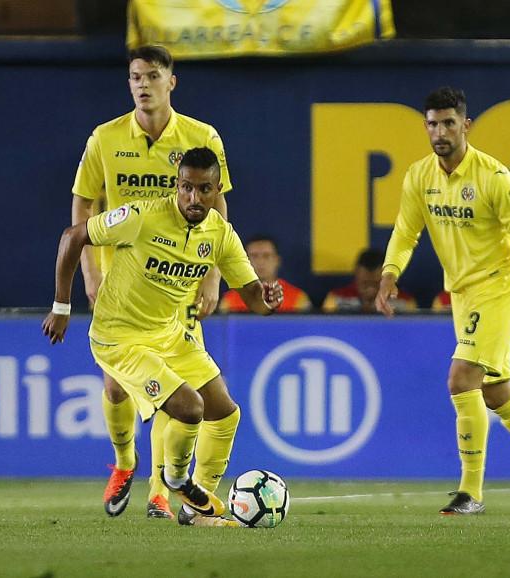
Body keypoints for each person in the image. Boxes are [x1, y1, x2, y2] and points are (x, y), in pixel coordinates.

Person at [376, 87, 510, 515]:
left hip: (500, 284)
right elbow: (405, 231)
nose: (440, 131)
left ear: (465, 125)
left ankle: (470, 492)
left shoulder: (493, 177)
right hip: (462, 291)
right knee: (494, 390)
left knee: (461, 379)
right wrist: (389, 274)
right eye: (433, 123)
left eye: (449, 123)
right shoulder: (420, 177)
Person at [44, 147, 283, 527]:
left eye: (204, 190)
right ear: (177, 184)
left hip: (170, 334)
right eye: (186, 187)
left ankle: (195, 511)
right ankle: (175, 479)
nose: (193, 198)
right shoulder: (141, 217)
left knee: (225, 412)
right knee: (189, 408)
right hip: (118, 338)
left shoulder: (219, 234)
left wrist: (267, 299)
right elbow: (72, 237)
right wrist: (61, 307)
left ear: (217, 189)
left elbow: (252, 294)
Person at [71, 45, 233, 519]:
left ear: (171, 82)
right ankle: (124, 463)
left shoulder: (201, 137)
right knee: (118, 388)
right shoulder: (105, 138)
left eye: (152, 76)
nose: (142, 84)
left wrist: (212, 276)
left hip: (177, 278)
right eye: (135, 77)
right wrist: (91, 270)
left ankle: (160, 492)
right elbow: (83, 204)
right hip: (122, 284)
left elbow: (218, 209)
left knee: (176, 389)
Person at [219, 235, 312, 313]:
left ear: (277, 261)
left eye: (266, 256)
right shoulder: (230, 301)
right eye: (254, 256)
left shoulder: (298, 299)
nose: (260, 262)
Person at [322, 248, 417, 313]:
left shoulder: (404, 302)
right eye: (364, 284)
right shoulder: (336, 299)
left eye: (376, 284)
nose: (370, 290)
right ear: (356, 276)